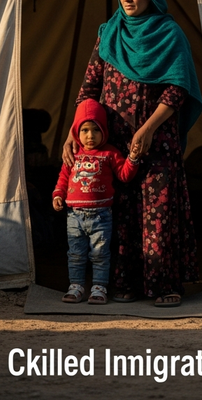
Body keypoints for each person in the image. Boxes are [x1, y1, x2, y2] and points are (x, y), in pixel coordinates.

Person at [62, 0, 202, 308]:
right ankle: (126, 283)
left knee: (159, 211)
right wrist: (72, 134)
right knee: (120, 213)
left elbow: (177, 88)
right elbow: (89, 90)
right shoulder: (108, 33)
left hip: (157, 141)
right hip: (115, 143)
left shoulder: (170, 34)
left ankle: (164, 285)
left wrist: (149, 127)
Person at [52, 98, 140, 305]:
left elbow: (124, 175)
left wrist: (133, 158)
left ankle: (99, 288)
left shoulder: (110, 153)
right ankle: (76, 287)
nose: (90, 136)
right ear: (76, 132)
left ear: (104, 131)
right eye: (84, 130)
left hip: (101, 216)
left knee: (100, 254)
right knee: (75, 254)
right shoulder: (74, 153)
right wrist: (57, 195)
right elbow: (64, 177)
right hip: (74, 215)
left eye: (95, 130)